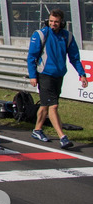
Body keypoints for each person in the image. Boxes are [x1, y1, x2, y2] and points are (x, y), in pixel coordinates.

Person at [26, 9, 88, 149]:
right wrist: (32, 75)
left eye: (56, 22)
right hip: (44, 75)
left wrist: (82, 74)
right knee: (53, 106)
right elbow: (31, 57)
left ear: (62, 23)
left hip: (58, 75)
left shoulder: (67, 37)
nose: (53, 24)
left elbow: (75, 58)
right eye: (51, 21)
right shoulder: (41, 34)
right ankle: (62, 137)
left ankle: (37, 130)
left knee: (45, 105)